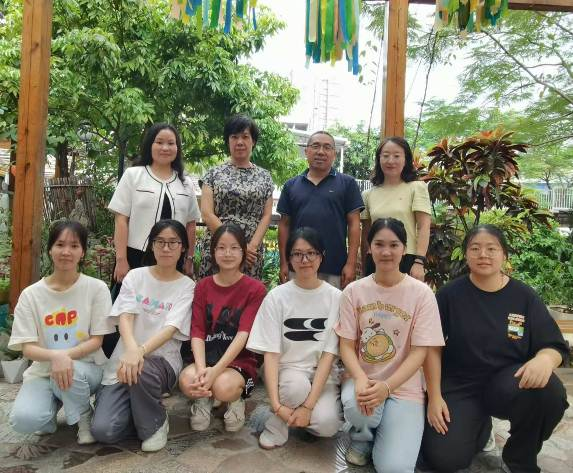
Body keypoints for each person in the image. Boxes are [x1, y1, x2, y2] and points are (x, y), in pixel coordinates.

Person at [421, 224, 569, 473]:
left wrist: (545, 359)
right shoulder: (449, 295)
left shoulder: (524, 297)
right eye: (475, 248)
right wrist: (434, 396)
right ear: (466, 254)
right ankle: (479, 427)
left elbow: (553, 344)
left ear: (504, 255)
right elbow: (431, 346)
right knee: (445, 460)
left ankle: (519, 458)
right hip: (460, 385)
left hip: (507, 383)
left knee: (550, 392)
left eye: (492, 248)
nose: (483, 255)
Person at [336, 217, 444, 472]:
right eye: (379, 244)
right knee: (359, 407)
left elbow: (420, 352)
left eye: (394, 245)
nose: (386, 252)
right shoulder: (353, 291)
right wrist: (360, 378)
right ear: (369, 248)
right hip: (364, 380)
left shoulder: (422, 294)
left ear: (404, 249)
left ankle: (385, 430)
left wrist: (387, 387)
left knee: (394, 468)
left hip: (404, 387)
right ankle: (363, 437)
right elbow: (346, 346)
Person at [91, 220, 194, 452]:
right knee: (104, 431)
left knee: (142, 370)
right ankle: (138, 409)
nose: (166, 248)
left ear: (183, 248)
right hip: (125, 360)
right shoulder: (135, 276)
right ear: (151, 245)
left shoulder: (187, 286)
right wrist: (131, 350)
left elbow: (171, 329)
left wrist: (140, 352)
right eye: (160, 242)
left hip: (161, 362)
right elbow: (125, 316)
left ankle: (155, 423)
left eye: (173, 242)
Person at [8, 220, 114, 444]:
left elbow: (97, 340)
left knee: (70, 372)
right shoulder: (31, 295)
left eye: (74, 246)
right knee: (24, 421)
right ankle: (53, 404)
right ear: (50, 249)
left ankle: (83, 416)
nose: (66, 251)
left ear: (82, 252)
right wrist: (56, 358)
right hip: (43, 372)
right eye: (60, 245)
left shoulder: (96, 289)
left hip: (87, 369)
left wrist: (64, 358)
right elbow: (27, 348)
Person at [247, 227, 343, 449]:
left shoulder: (336, 298)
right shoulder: (277, 297)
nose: (304, 260)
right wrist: (276, 404)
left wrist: (308, 407)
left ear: (321, 256)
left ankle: (297, 413)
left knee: (327, 425)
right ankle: (276, 424)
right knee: (295, 388)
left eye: (311, 253)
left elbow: (329, 356)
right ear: (289, 258)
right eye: (297, 254)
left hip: (322, 375)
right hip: (288, 372)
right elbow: (271, 354)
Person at [179, 223, 266, 432]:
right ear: (213, 252)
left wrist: (215, 371)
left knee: (224, 387)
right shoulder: (202, 286)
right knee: (187, 381)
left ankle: (235, 400)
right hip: (206, 356)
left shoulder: (255, 289)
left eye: (234, 248)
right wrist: (202, 370)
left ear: (243, 252)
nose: (228, 253)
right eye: (221, 247)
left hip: (239, 361)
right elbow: (197, 331)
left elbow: (244, 334)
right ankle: (203, 398)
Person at [108, 123, 200, 284]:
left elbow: (191, 225)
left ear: (177, 148)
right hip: (135, 256)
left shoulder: (185, 183)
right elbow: (121, 220)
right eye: (159, 142)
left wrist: (189, 259)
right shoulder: (133, 175)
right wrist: (121, 259)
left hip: (174, 258)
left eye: (171, 143)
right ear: (150, 145)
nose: (165, 148)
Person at [277, 131, 363, 289]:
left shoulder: (348, 184)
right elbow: (284, 225)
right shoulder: (291, 185)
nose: (321, 152)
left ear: (334, 154)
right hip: (298, 266)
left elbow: (354, 224)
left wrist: (350, 263)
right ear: (306, 151)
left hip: (335, 267)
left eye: (327, 147)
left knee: (333, 305)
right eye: (315, 146)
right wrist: (283, 262)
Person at [198, 114, 274, 279]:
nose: (240, 142)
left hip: (251, 253)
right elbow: (207, 213)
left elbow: (267, 215)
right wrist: (237, 246)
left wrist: (250, 247)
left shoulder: (265, 177)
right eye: (234, 137)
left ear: (253, 141)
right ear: (228, 141)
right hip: (218, 248)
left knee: (248, 293)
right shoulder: (213, 174)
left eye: (245, 137)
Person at [361, 137, 431, 281]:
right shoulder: (368, 194)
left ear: (406, 160)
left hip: (407, 258)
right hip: (376, 259)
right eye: (385, 155)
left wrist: (419, 261)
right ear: (379, 159)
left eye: (397, 156)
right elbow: (366, 233)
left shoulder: (416, 188)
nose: (390, 161)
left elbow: (424, 226)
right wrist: (364, 263)